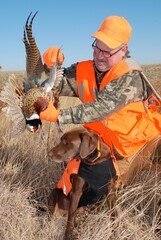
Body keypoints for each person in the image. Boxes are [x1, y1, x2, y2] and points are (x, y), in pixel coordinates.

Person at [40, 15, 161, 177]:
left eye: (107, 52)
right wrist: (52, 67)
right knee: (79, 184)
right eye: (96, 48)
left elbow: (102, 109)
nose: (99, 55)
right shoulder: (84, 70)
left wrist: (59, 116)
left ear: (123, 50)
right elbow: (56, 86)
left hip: (137, 148)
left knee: (119, 190)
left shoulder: (129, 76)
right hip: (104, 148)